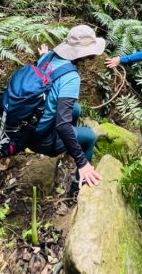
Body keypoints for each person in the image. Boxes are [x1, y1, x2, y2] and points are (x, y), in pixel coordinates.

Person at [29, 24, 105, 192]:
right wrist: (82, 162)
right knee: (91, 137)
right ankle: (76, 188)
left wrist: (42, 55)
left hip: (30, 127)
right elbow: (62, 125)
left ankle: (70, 143)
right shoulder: (71, 77)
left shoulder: (47, 57)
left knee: (75, 109)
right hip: (42, 140)